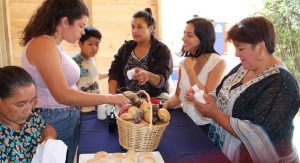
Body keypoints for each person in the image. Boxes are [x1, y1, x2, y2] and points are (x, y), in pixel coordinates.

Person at [20, 1, 129, 163]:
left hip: (63, 118)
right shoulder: (42, 44)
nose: (83, 31)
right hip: (53, 120)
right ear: (64, 22)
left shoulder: (53, 45)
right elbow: (62, 94)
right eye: (81, 25)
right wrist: (110, 98)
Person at [188, 16, 300, 163]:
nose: (236, 54)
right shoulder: (242, 68)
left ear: (260, 47)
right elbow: (222, 92)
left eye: (241, 48)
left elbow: (259, 134)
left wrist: (214, 113)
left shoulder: (282, 83)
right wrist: (209, 99)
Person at [162, 17, 226, 133]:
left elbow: (205, 100)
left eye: (189, 35)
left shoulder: (218, 63)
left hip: (208, 128)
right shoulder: (183, 64)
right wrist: (164, 105)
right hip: (187, 123)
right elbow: (178, 97)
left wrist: (190, 70)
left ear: (203, 39)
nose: (183, 38)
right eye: (184, 34)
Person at [108, 8, 173, 99]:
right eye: (133, 27)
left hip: (155, 101)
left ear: (151, 28)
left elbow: (162, 79)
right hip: (127, 100)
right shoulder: (126, 48)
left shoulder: (162, 50)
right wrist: (112, 97)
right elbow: (114, 72)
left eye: (139, 27)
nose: (134, 31)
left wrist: (148, 76)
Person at [0, 66, 57, 162]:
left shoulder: (29, 115)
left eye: (32, 101)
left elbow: (46, 127)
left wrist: (48, 139)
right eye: (21, 104)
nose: (29, 110)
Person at [73, 26, 108, 112]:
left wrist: (110, 73)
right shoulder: (74, 62)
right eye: (90, 44)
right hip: (81, 110)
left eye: (97, 44)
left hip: (95, 107)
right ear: (80, 44)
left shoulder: (92, 59)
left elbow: (94, 77)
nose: (94, 47)